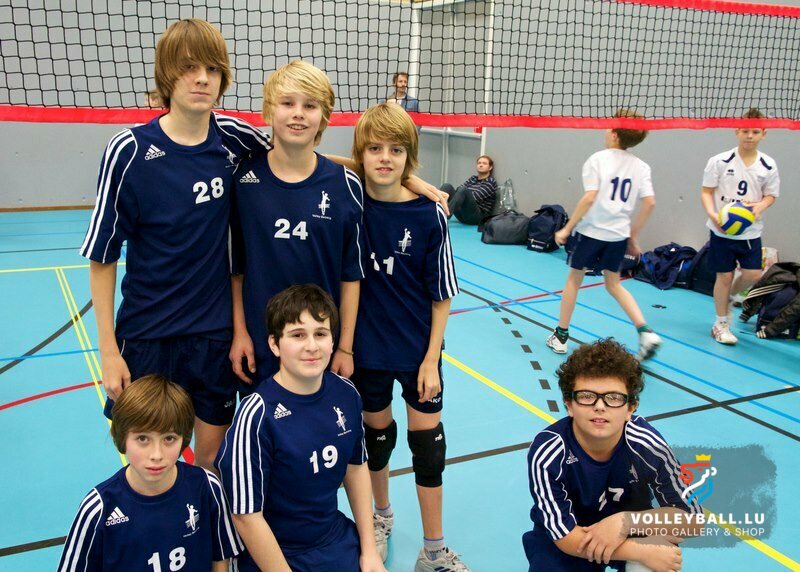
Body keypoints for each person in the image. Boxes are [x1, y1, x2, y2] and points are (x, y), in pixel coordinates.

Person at [79, 19, 271, 471]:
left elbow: (300, 157)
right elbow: (103, 257)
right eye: (189, 68)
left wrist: (395, 178)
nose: (202, 78)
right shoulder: (129, 151)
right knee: (148, 462)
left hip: (213, 335)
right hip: (147, 334)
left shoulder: (233, 137)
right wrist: (108, 352)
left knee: (211, 460)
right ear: (167, 75)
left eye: (212, 69)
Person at [350, 103, 467, 571]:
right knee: (376, 441)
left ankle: (433, 549)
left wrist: (431, 359)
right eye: (374, 149)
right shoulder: (350, 200)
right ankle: (381, 517)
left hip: (418, 353)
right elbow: (314, 161)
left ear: (409, 155)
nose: (385, 158)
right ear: (361, 153)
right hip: (366, 352)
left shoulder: (429, 215)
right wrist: (414, 178)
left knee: (429, 448)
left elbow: (441, 296)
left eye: (396, 150)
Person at [216, 284, 385, 572]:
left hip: (332, 540)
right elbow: (245, 516)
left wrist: (369, 551)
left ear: (333, 340)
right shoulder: (256, 414)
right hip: (276, 553)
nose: (312, 346)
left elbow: (356, 468)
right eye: (297, 335)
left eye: (320, 334)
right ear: (274, 344)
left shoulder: (346, 394)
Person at [228, 60, 365, 391]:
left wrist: (344, 347)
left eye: (310, 106)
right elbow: (236, 270)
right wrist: (240, 332)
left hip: (320, 348)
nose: (298, 114)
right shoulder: (243, 180)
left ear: (324, 117)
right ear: (269, 111)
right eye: (287, 103)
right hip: (260, 345)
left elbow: (350, 276)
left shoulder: (346, 185)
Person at [524, 339, 702, 572]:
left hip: (630, 526)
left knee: (658, 557)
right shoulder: (549, 452)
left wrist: (624, 523)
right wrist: (638, 551)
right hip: (572, 537)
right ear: (569, 404)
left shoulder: (647, 446)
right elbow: (566, 537)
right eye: (586, 396)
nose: (600, 406)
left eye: (614, 398)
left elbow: (691, 519)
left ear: (631, 408)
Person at [58, 375, 242, 571]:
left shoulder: (207, 487)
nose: (156, 455)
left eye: (169, 439)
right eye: (143, 439)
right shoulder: (99, 509)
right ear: (122, 438)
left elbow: (220, 558)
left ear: (184, 439)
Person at [547, 110, 661, 361]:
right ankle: (645, 332)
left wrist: (567, 228)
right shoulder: (641, 166)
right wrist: (633, 235)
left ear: (614, 133)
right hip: (618, 235)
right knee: (614, 284)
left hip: (591, 232)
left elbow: (590, 197)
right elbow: (650, 202)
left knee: (574, 280)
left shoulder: (597, 160)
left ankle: (561, 336)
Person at [701, 107, 780, 345]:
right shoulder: (719, 161)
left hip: (750, 232)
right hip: (722, 231)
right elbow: (706, 191)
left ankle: (731, 295)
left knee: (753, 274)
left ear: (764, 134)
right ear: (736, 131)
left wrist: (761, 205)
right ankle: (720, 323)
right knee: (724, 276)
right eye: (745, 131)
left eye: (755, 132)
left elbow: (771, 195)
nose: (749, 136)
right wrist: (713, 215)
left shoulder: (768, 165)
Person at [441, 155, 497, 221]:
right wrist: (461, 194)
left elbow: (475, 197)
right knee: (446, 186)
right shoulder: (473, 178)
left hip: (477, 216)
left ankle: (444, 215)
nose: (481, 165)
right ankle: (436, 212)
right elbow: (459, 191)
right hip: (463, 214)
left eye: (484, 163)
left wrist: (463, 193)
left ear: (490, 167)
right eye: (479, 163)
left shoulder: (490, 182)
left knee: (463, 190)